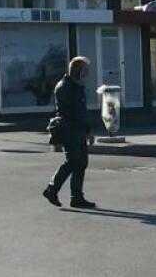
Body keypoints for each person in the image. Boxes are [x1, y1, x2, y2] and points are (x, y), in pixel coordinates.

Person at [43, 56, 96, 209]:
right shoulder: (65, 87)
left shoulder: (77, 86)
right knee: (72, 161)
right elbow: (74, 112)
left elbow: (82, 111)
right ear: (78, 72)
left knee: (81, 163)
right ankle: (51, 189)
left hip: (78, 129)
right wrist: (86, 130)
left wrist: (88, 131)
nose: (87, 75)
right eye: (85, 71)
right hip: (70, 129)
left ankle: (77, 197)